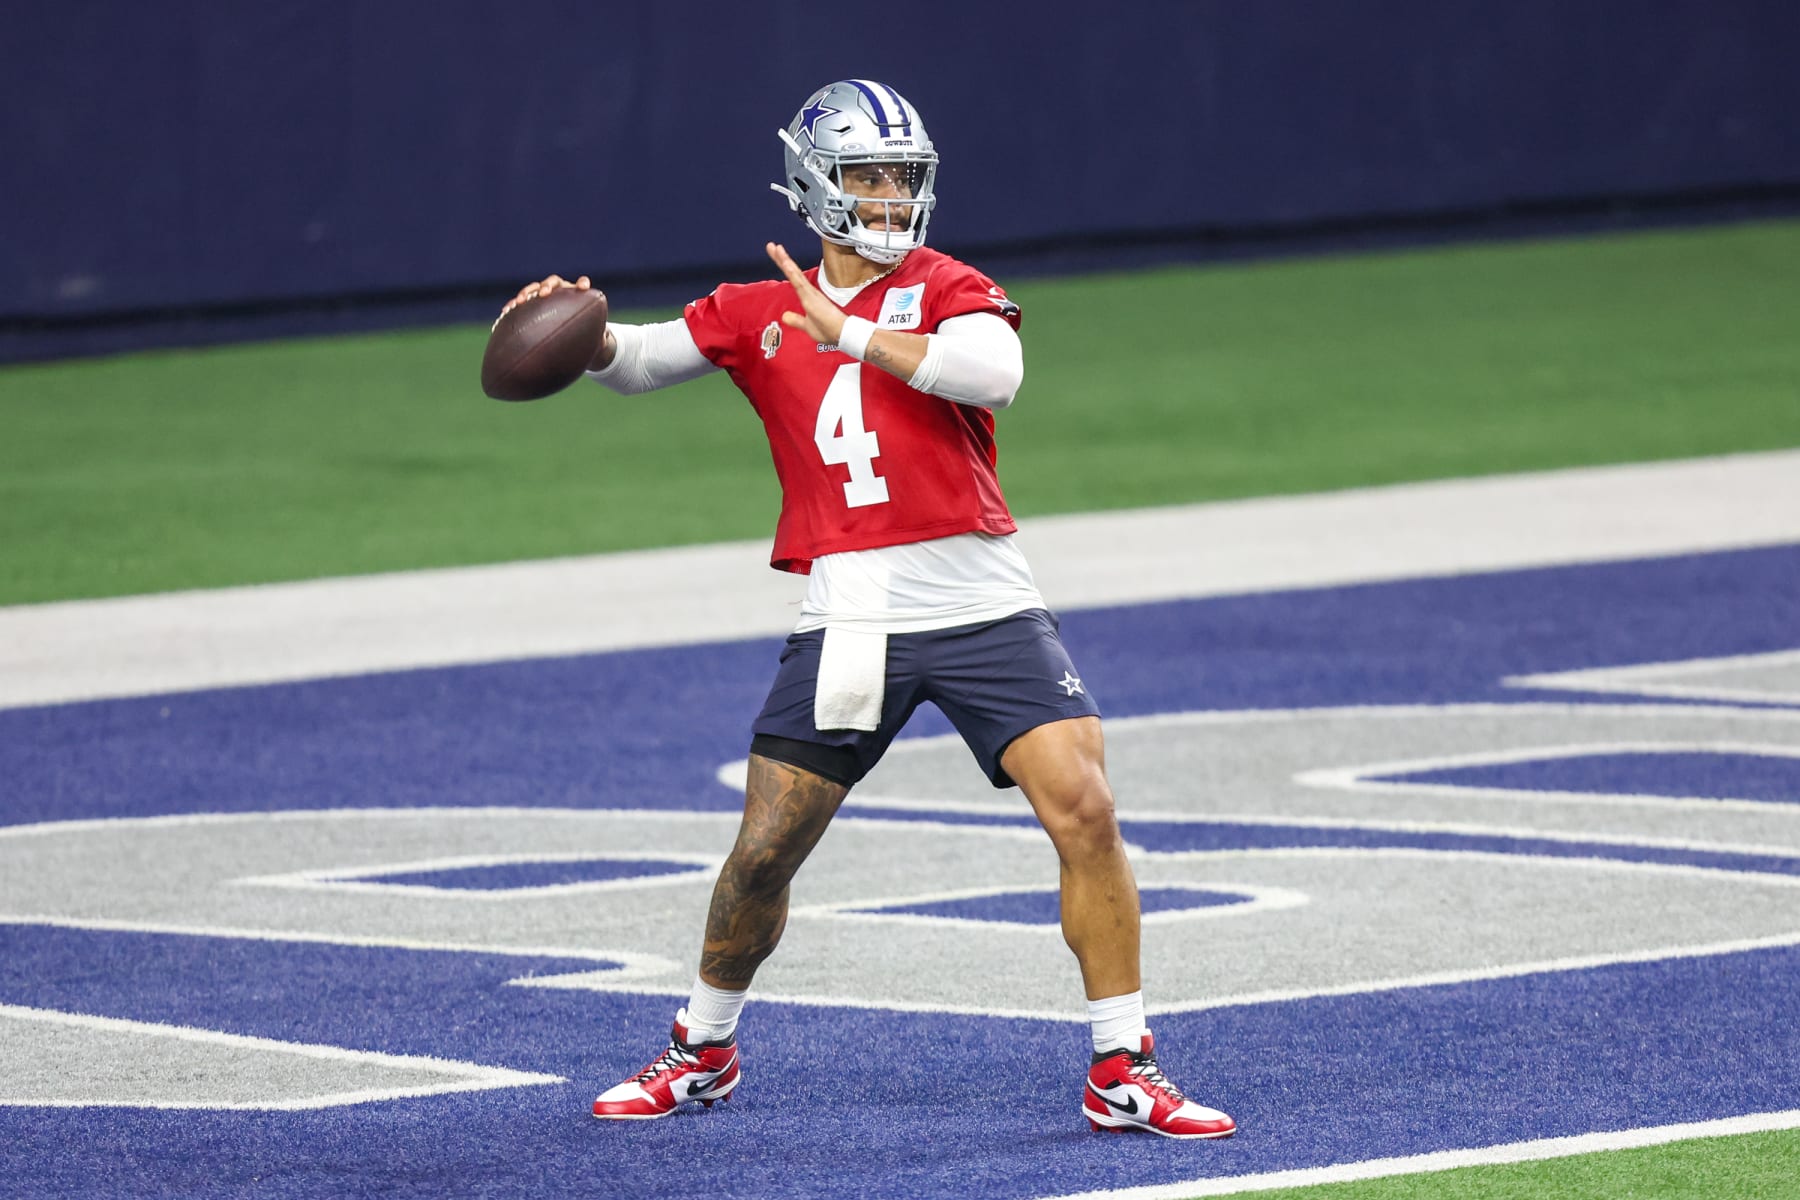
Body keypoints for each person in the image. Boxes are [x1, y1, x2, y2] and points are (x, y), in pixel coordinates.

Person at [501, 79, 1235, 1140]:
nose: (890, 197)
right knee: (764, 852)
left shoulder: (945, 285)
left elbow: (998, 373)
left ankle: (1123, 1063)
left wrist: (850, 333)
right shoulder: (755, 311)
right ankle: (702, 1046)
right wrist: (572, 328)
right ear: (814, 185)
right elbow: (636, 362)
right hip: (849, 608)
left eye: (903, 177)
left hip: (982, 597)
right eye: (867, 176)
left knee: (1086, 809)